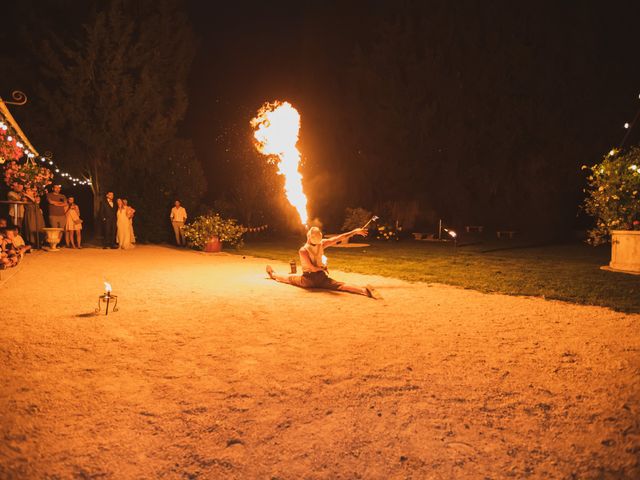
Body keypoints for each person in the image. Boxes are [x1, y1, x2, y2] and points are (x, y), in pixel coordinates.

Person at [266, 226, 381, 299]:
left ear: (308, 237)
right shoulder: (323, 243)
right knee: (341, 285)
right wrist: (355, 231)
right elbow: (339, 238)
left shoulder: (303, 250)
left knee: (288, 278)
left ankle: (273, 274)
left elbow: (311, 268)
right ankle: (364, 291)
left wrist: (321, 268)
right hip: (322, 278)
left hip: (308, 281)